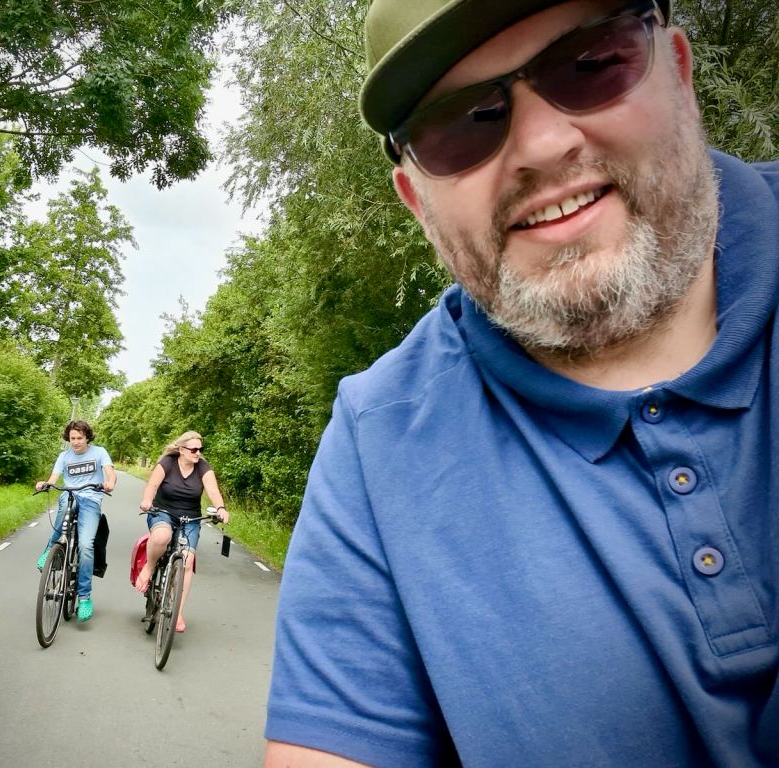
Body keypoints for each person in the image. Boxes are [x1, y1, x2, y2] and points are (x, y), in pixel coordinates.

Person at [264, 0, 778, 766]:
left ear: (678, 70)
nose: (541, 144)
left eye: (591, 65)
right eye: (464, 121)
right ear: (417, 204)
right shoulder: (380, 442)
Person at [135, 431, 229, 633]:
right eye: (194, 449)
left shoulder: (203, 467)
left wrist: (220, 508)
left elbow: (213, 491)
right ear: (181, 449)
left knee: (186, 561)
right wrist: (147, 500)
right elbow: (152, 485)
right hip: (162, 512)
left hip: (191, 518)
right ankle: (149, 567)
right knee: (162, 536)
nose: (198, 453)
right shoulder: (168, 462)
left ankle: (177, 610)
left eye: (200, 449)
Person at [34, 419, 116, 622]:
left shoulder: (99, 452)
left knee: (86, 546)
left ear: (87, 437)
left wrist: (110, 483)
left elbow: (110, 472)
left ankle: (85, 598)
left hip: (91, 498)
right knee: (63, 507)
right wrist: (45, 484)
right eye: (72, 438)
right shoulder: (64, 456)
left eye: (80, 438)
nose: (76, 442)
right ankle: (50, 549)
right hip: (70, 495)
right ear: (68, 439)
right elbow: (54, 478)